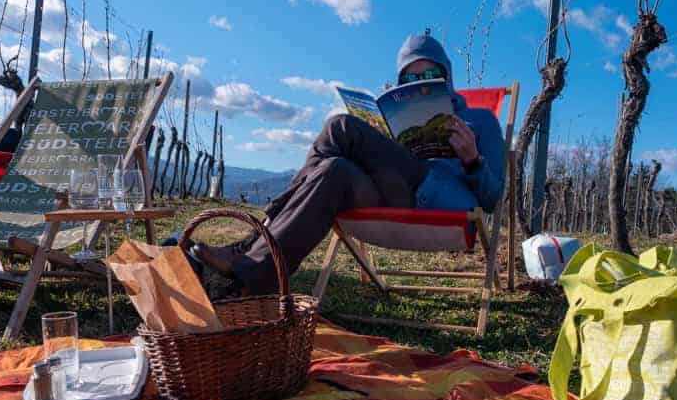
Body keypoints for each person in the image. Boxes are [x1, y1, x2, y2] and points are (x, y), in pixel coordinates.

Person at [193, 31, 505, 296]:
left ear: (446, 76)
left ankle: (255, 236)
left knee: (340, 127)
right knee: (333, 171)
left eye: (429, 76)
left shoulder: (481, 120)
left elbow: (492, 198)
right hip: (398, 193)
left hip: (447, 203)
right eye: (410, 79)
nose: (420, 83)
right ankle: (255, 274)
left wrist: (472, 160)